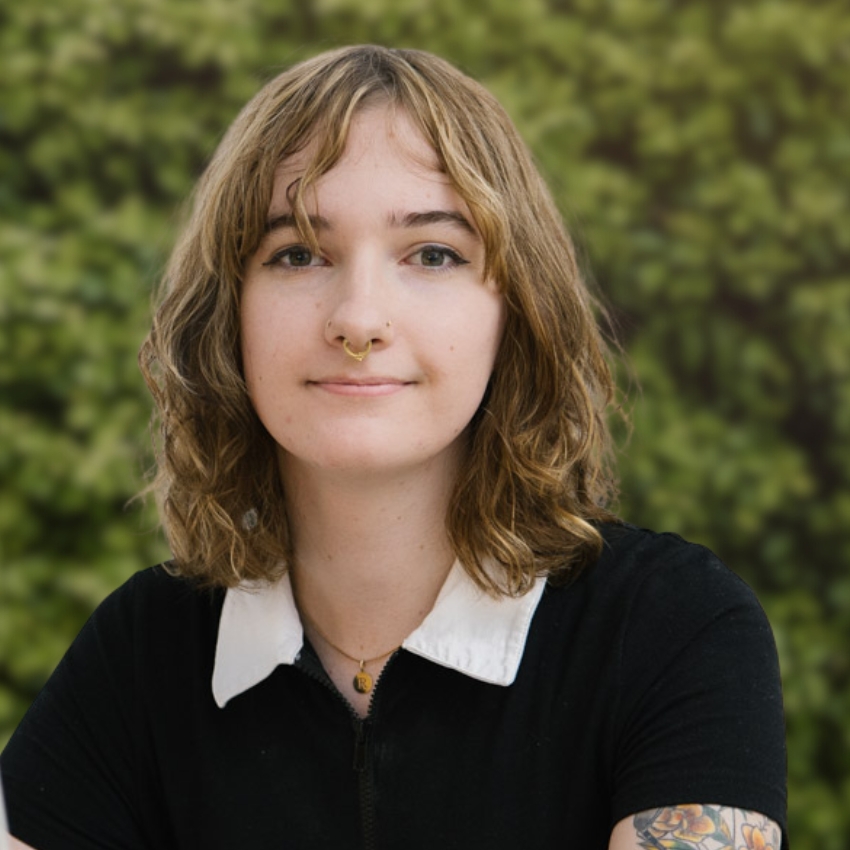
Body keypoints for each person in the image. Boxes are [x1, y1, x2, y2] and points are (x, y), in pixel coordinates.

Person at [1, 45, 787, 849]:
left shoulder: (673, 629)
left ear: (516, 309)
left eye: (433, 254)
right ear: (226, 312)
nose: (359, 319)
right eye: (297, 253)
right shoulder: (142, 654)